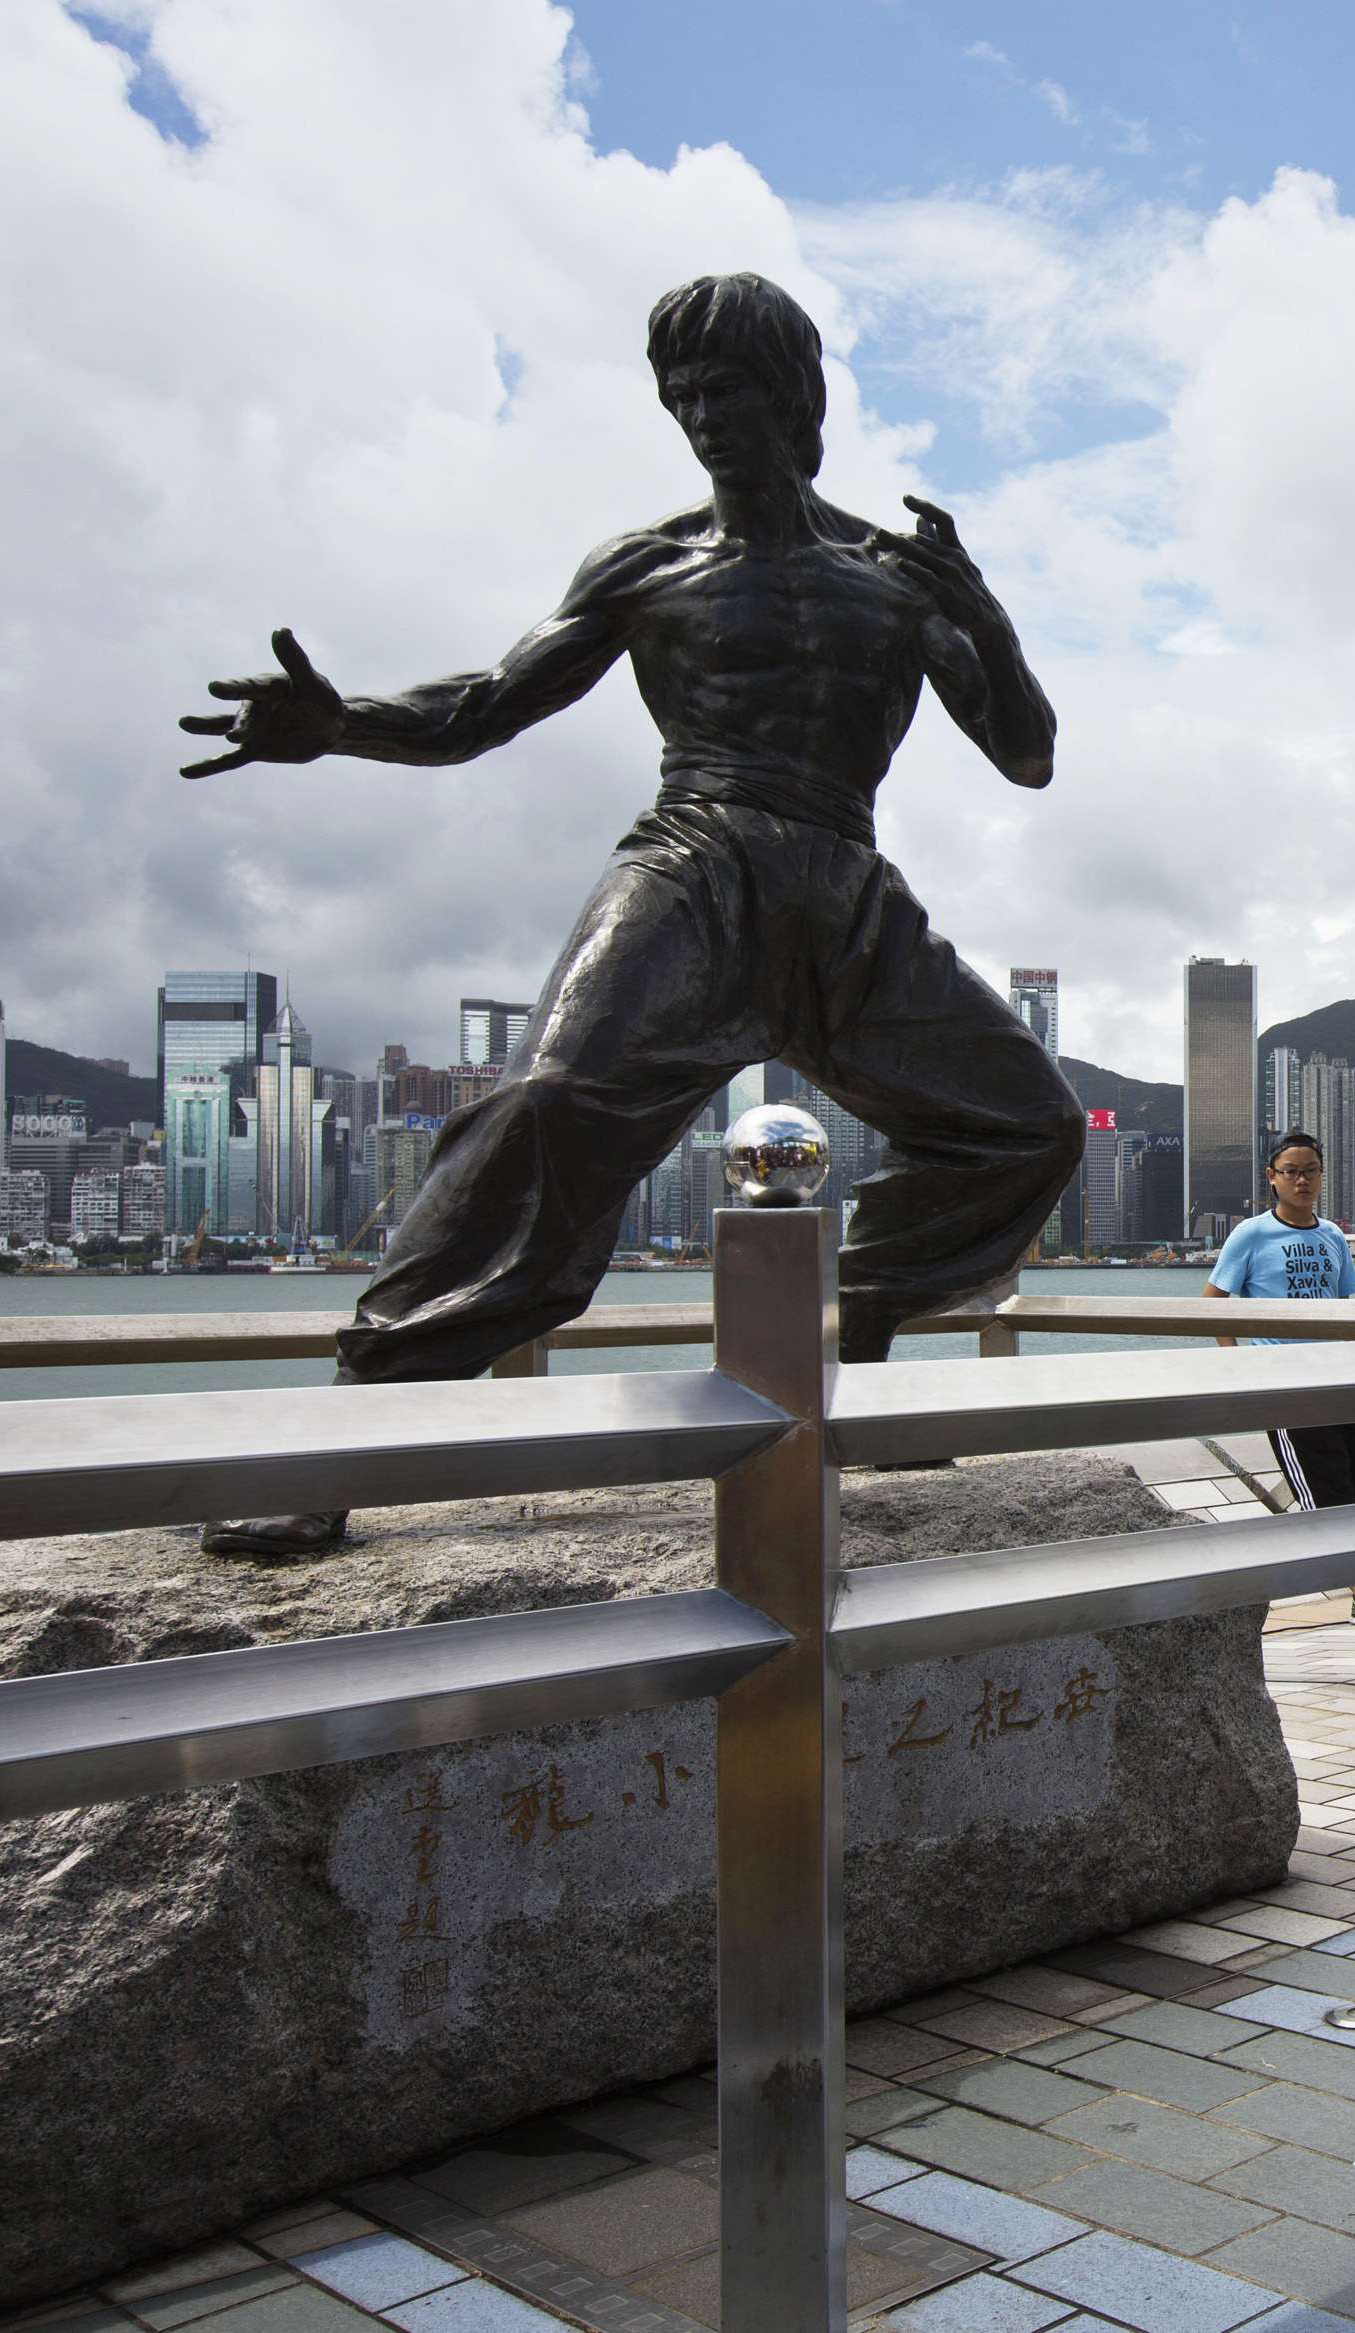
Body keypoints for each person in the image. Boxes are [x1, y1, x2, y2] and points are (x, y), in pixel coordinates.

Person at [180, 273, 1082, 1559]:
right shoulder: (646, 566)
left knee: (1029, 1127)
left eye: (733, 390)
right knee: (547, 1102)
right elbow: (486, 705)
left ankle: (850, 1325)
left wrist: (982, 608)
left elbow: (1027, 755)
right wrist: (340, 727)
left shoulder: (898, 581)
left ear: (799, 398)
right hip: (693, 861)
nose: (707, 415)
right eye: (685, 394)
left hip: (842, 886)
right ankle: (349, 1441)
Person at [1207, 1134, 1355, 1620]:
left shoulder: (1332, 1235)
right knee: (1325, 1487)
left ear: (1321, 1175)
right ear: (1271, 1177)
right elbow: (1211, 1305)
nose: (1301, 1179)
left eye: (1310, 1170)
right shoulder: (1251, 1234)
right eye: (1290, 1170)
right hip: (1288, 1387)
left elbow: (1345, 1312)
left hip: (1338, 1380)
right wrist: (1240, 1367)